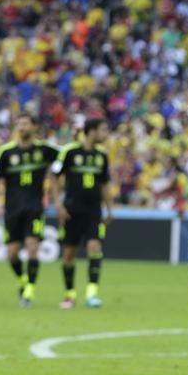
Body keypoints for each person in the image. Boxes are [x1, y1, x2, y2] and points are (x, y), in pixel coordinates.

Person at [0, 113, 60, 307]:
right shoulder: (6, 152)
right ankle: (23, 281)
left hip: (35, 207)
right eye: (19, 124)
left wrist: (57, 192)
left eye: (26, 124)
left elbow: (66, 157)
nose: (21, 127)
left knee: (32, 247)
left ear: (34, 127)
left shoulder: (45, 150)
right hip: (12, 209)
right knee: (12, 253)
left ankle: (29, 292)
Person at [50, 118, 113, 308]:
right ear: (91, 131)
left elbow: (104, 184)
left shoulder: (102, 155)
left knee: (95, 248)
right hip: (71, 210)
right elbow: (53, 176)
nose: (105, 134)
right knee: (69, 253)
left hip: (93, 210)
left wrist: (110, 209)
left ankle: (92, 294)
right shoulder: (69, 152)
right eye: (102, 129)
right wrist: (58, 205)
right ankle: (69, 294)